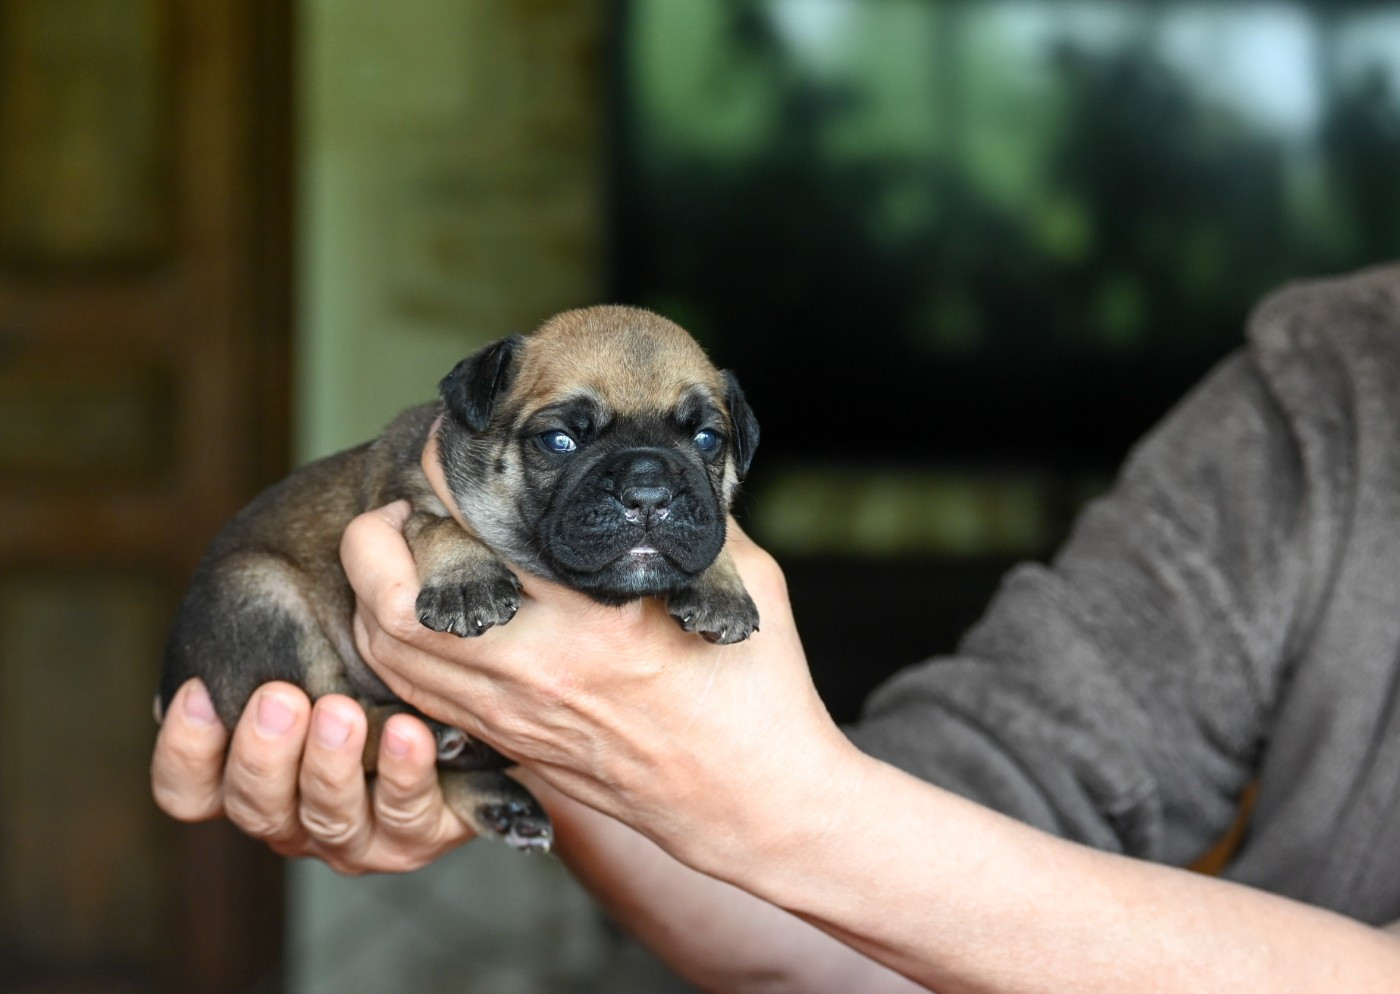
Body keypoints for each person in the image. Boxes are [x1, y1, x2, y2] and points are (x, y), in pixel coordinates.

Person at [153, 265, 1400, 993]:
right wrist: (558, 732)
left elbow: (828, 840)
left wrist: (794, 813)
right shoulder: (1325, 390)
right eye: (569, 437)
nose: (644, 478)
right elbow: (888, 898)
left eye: (693, 444)